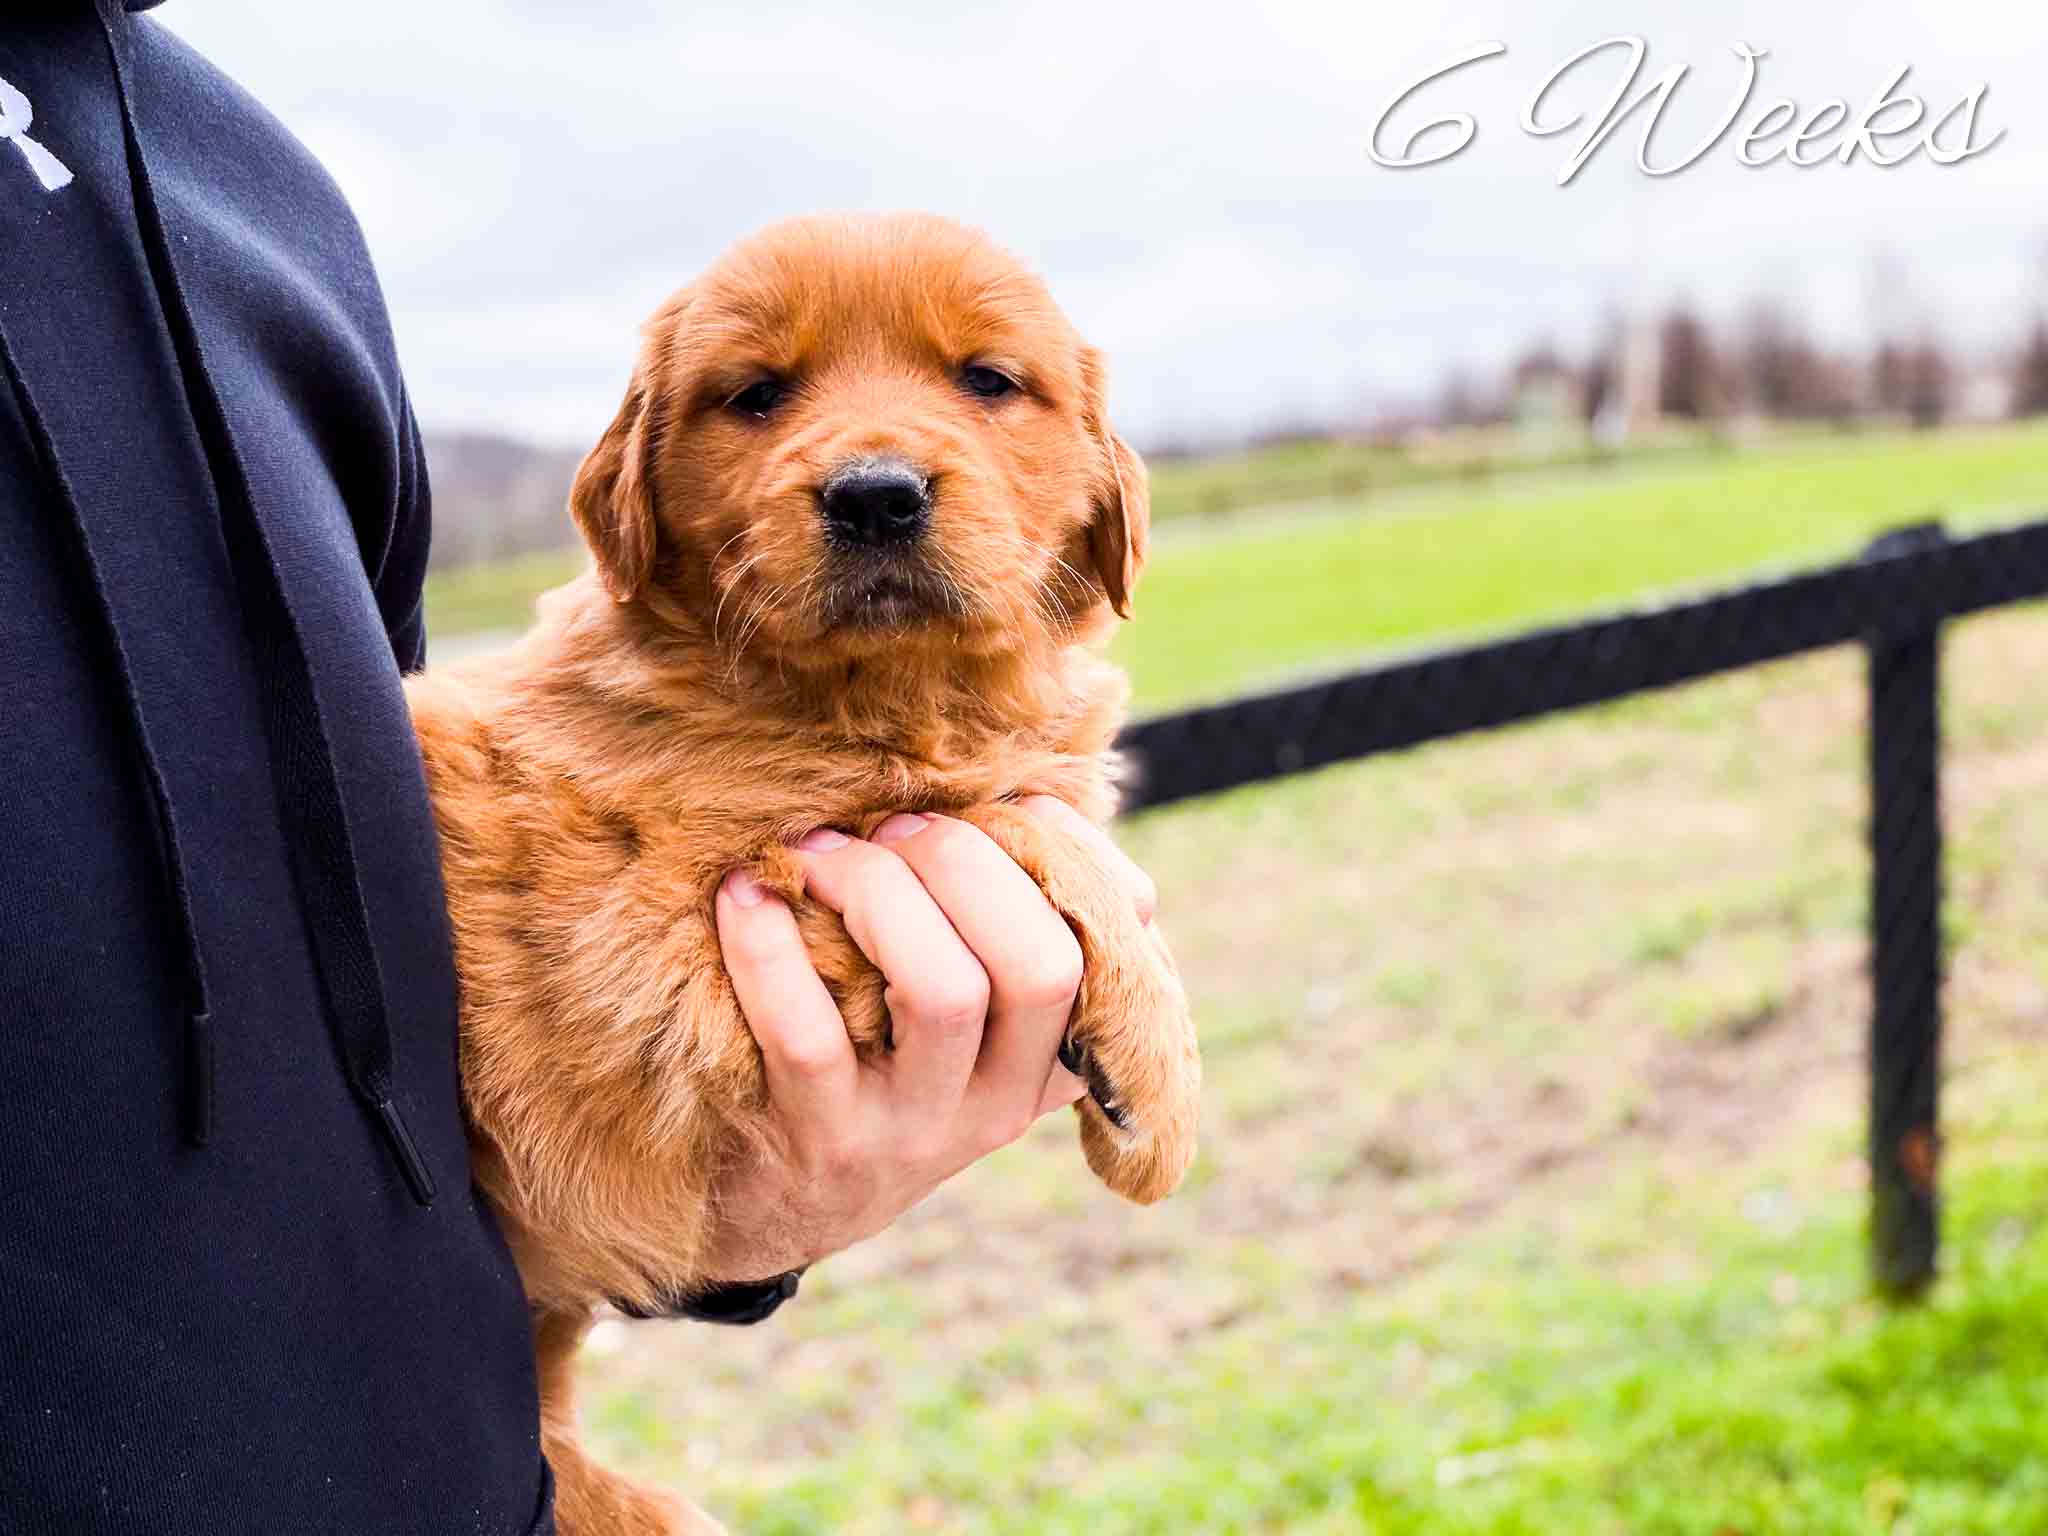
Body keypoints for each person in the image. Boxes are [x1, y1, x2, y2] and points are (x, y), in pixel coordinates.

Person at [0, 4, 1153, 1532]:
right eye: (758, 394)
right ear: (636, 506)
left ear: (1108, 494)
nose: (873, 464)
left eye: (988, 378)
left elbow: (365, 812)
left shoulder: (247, 195)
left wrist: (748, 1229)